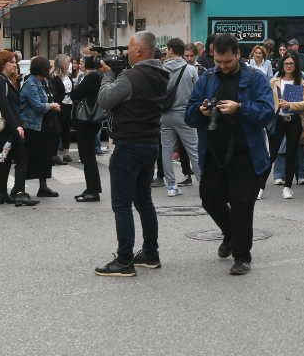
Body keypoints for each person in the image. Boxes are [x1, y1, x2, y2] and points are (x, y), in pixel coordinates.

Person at [185, 34, 274, 274]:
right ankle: (230, 234)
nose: (222, 66)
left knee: (242, 204)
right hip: (213, 152)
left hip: (246, 153)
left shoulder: (256, 78)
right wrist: (201, 112)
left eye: (227, 62)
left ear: (237, 55)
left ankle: (242, 256)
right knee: (209, 199)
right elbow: (189, 114)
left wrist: (241, 108)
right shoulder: (206, 78)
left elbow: (267, 112)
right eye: (218, 61)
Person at [93, 32, 170, 277]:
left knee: (122, 204)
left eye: (130, 48)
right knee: (144, 201)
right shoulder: (161, 74)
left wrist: (107, 76)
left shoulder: (131, 76)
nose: (126, 52)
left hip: (129, 144)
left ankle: (124, 259)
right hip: (150, 142)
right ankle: (150, 252)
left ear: (140, 51)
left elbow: (105, 100)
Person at [0, 51, 28, 206]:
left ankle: (2, 193)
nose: (15, 65)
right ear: (3, 64)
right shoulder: (0, 81)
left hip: (9, 128)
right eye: (11, 62)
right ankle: (19, 193)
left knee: (5, 159)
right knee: (21, 158)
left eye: (15, 62)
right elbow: (4, 106)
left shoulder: (6, 80)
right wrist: (17, 126)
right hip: (8, 129)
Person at [159, 39, 200, 198]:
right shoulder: (191, 70)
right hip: (185, 115)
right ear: (182, 51)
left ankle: (171, 185)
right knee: (194, 150)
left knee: (166, 150)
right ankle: (203, 183)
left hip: (166, 115)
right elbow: (197, 93)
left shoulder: (161, 70)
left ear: (170, 50)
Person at [17, 56, 61, 203]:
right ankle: (20, 189)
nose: (49, 69)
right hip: (32, 126)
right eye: (47, 67)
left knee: (45, 157)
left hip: (44, 126)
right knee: (28, 158)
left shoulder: (43, 82)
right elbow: (37, 106)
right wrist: (52, 106)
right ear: (42, 68)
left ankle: (43, 187)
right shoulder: (31, 83)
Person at [270, 54, 304, 199]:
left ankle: (287, 186)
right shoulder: (275, 81)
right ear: (282, 65)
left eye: (292, 63)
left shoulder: (299, 81)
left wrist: (290, 104)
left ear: (295, 65)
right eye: (286, 63)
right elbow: (267, 100)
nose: (289, 66)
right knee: (272, 153)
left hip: (293, 119)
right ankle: (260, 186)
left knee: (291, 153)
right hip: (278, 120)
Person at [70, 55, 106, 202]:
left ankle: (93, 190)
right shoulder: (97, 76)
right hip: (92, 120)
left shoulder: (91, 77)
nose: (80, 64)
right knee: (87, 154)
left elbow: (75, 94)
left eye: (82, 62)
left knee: (87, 155)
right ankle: (91, 188)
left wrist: (75, 91)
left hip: (87, 121)